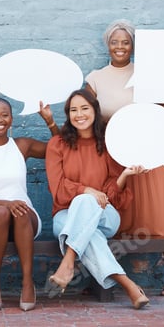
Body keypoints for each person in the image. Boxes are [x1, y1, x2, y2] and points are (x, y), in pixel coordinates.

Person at [84, 19, 164, 296]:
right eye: (114, 41)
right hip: (116, 154)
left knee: (160, 211)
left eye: (126, 41)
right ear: (107, 44)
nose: (120, 46)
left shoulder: (149, 72)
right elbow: (86, 118)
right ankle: (103, 274)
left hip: (151, 150)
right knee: (120, 214)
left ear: (132, 46)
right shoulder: (95, 78)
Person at [46, 89, 149, 309]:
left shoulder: (109, 143)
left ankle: (68, 261)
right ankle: (129, 285)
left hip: (106, 215)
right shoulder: (57, 144)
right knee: (88, 229)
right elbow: (58, 188)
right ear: (68, 114)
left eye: (85, 108)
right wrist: (88, 191)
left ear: (94, 110)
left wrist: (124, 175)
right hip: (65, 215)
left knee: (85, 205)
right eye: (73, 110)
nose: (79, 114)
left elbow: (112, 197)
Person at [0, 98, 57, 311]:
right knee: (1, 213)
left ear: (11, 119)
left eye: (5, 115)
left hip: (24, 217)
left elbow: (59, 149)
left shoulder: (21, 146)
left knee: (21, 211)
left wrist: (50, 122)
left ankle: (27, 282)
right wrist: (7, 204)